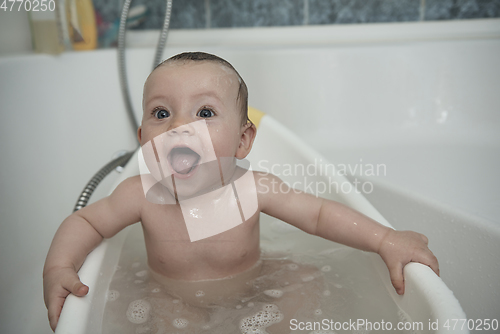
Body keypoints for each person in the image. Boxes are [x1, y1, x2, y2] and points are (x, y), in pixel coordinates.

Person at [43, 52, 439, 332]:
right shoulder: (139, 194)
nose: (181, 127)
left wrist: (385, 238)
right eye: (161, 113)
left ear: (243, 141)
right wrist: (59, 267)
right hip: (171, 297)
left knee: (306, 281)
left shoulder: (253, 188)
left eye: (205, 113)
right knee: (165, 322)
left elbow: (318, 215)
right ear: (143, 139)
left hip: (257, 283)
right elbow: (85, 222)